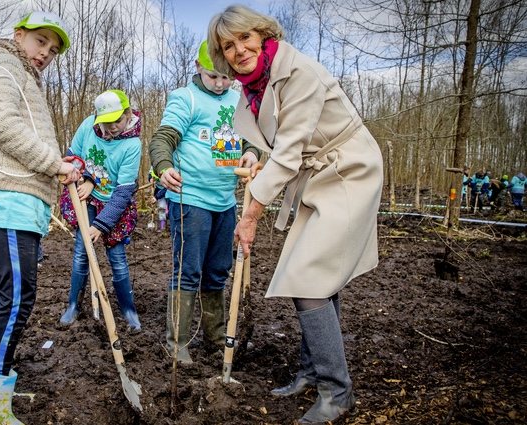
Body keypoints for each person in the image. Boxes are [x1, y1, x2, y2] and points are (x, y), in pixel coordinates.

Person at [208, 6, 383, 423]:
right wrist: (252, 155)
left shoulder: (298, 71)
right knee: (316, 275)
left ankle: (337, 393)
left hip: (347, 171)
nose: (239, 50)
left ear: (263, 34)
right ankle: (311, 371)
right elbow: (274, 140)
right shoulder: (255, 87)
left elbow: (288, 154)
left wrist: (249, 214)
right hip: (317, 174)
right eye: (228, 46)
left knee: (308, 279)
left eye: (244, 38)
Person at [0, 11, 79, 425]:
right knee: (16, 301)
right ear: (19, 35)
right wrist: (54, 164)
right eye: (40, 41)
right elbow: (4, 125)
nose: (46, 52)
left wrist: (59, 162)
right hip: (5, 200)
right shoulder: (0, 68)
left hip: (20, 203)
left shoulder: (23, 74)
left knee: (7, 297)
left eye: (53, 48)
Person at [149, 40, 259, 365]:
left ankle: (215, 339)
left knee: (217, 272)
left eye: (227, 77)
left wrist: (251, 153)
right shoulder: (186, 99)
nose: (221, 83)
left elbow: (251, 138)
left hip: (225, 201)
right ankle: (177, 343)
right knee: (188, 271)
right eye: (214, 76)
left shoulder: (238, 100)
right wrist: (164, 167)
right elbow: (163, 138)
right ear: (198, 68)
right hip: (190, 197)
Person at [58, 89, 143, 331]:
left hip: (114, 205)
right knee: (81, 253)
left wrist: (101, 225)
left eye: (117, 120)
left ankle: (128, 310)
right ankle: (73, 305)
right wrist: (82, 176)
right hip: (87, 199)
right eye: (106, 122)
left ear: (127, 115)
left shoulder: (132, 144)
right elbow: (73, 156)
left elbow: (123, 191)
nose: (112, 126)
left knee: (117, 258)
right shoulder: (88, 127)